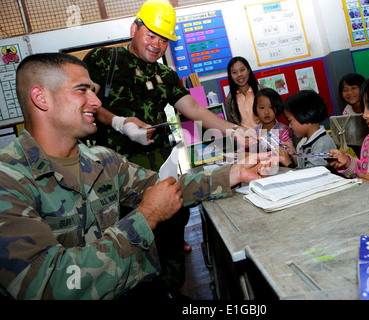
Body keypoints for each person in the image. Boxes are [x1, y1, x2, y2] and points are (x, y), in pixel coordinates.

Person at [0, 52, 279, 300]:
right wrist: (145, 218)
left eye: (94, 90)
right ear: (41, 98)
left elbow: (166, 188)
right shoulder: (8, 181)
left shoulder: (103, 160)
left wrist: (234, 173)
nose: (96, 101)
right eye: (82, 90)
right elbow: (45, 284)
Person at [83, 0, 248, 296]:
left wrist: (237, 131)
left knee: (171, 235)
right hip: (113, 175)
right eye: (151, 35)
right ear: (134, 29)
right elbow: (85, 104)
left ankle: (173, 291)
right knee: (128, 241)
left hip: (159, 170)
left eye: (164, 39)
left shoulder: (166, 76)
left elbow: (196, 111)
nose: (157, 45)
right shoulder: (103, 61)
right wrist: (119, 122)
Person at [278, 90, 336, 169]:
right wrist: (294, 154)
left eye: (290, 121)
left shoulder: (322, 144)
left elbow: (312, 175)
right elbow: (302, 165)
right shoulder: (303, 141)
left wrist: (289, 163)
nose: (290, 126)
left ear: (304, 116)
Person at [225, 56, 260, 128]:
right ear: (230, 76)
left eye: (242, 70)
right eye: (234, 72)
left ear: (248, 70)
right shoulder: (230, 99)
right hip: (246, 137)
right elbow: (232, 125)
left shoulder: (261, 90)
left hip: (265, 134)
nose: (239, 74)